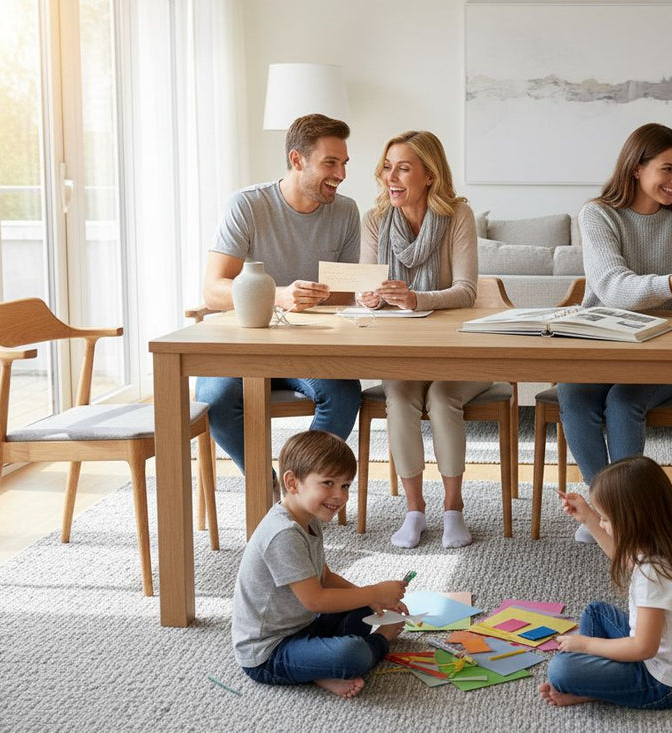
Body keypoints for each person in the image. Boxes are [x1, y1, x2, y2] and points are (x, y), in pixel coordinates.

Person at [557, 122, 672, 542]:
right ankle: (604, 506)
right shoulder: (598, 214)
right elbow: (612, 288)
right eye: (667, 169)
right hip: (599, 346)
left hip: (659, 353)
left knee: (623, 401)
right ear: (636, 168)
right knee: (573, 395)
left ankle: (624, 511)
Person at [195, 114, 364, 474]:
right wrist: (279, 295)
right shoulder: (247, 205)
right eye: (330, 163)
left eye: (344, 163)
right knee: (214, 399)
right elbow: (213, 290)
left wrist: (344, 293)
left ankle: (301, 486)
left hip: (310, 350)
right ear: (297, 160)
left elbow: (346, 294)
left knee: (344, 395)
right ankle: (267, 486)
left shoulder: (346, 211)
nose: (341, 174)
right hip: (246, 346)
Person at [357, 130, 487, 550]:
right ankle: (414, 510)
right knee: (399, 397)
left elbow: (466, 291)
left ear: (430, 175)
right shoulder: (375, 219)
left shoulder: (458, 216)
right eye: (387, 167)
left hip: (459, 350)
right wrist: (370, 297)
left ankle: (453, 509)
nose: (391, 177)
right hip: (403, 351)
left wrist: (416, 298)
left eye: (403, 168)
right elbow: (365, 286)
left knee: (443, 398)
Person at [232, 430, 408, 697]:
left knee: (359, 603)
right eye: (328, 483)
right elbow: (315, 601)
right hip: (268, 652)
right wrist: (375, 593)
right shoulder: (283, 533)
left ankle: (317, 668)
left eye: (345, 485)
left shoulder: (308, 518)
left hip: (303, 627)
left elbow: (324, 577)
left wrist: (372, 598)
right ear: (292, 482)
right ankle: (377, 642)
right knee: (353, 654)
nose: (340, 495)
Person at [540, 455, 672, 709]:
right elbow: (624, 559)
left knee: (561, 670)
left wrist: (587, 645)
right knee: (596, 612)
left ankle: (598, 687)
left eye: (605, 519)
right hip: (670, 661)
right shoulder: (668, 546)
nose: (601, 525)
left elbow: (644, 648)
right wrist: (588, 516)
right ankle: (601, 680)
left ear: (631, 521)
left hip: (668, 683)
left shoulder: (654, 573)